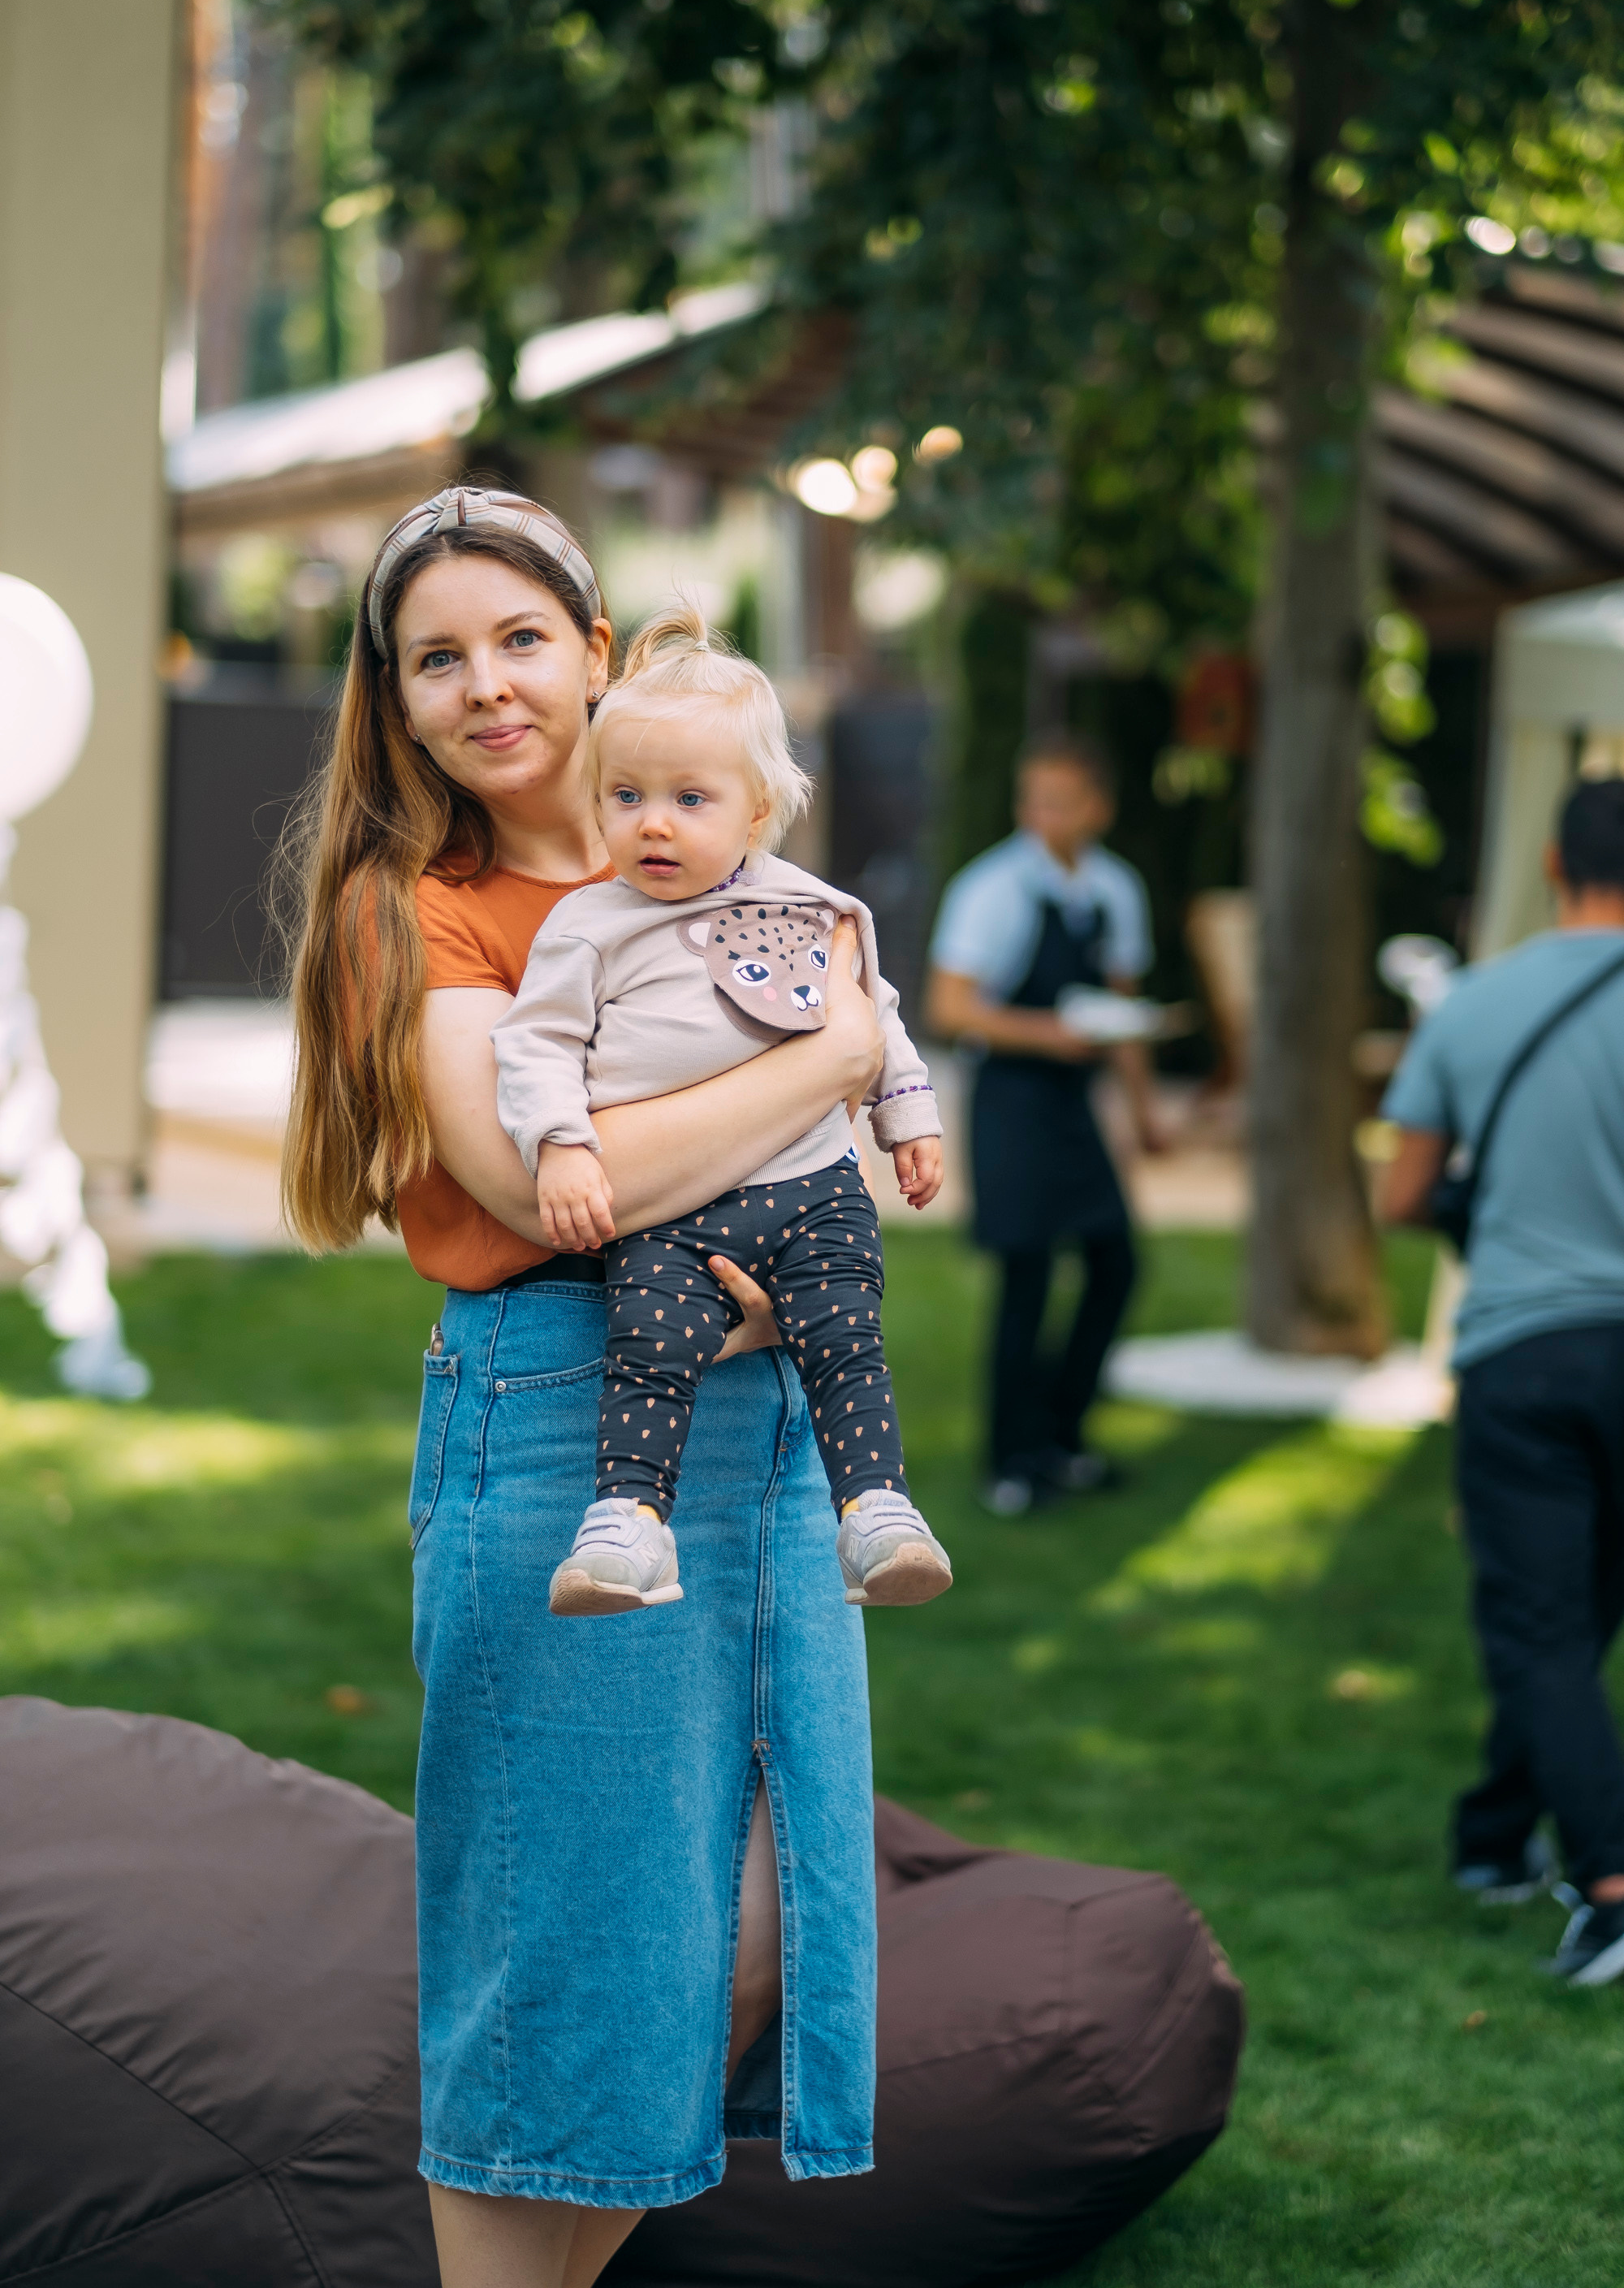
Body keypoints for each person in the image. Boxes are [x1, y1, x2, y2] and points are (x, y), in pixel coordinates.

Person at [281, 486, 884, 2288]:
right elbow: (565, 1167)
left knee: (758, 1925)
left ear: (597, 654)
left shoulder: (714, 867)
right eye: (434, 661)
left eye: (520, 638)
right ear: (396, 710)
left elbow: (829, 1150)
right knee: (555, 1956)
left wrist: (797, 1241)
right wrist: (833, 1049)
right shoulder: (426, 908)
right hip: (556, 1424)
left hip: (756, 1430)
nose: (485, 687)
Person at [490, 604, 952, 1616]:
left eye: (687, 798)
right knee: (647, 1345)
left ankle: (875, 1509)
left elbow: (872, 1015)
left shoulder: (808, 908)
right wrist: (562, 1147)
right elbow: (536, 1045)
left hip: (814, 1185)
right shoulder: (590, 925)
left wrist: (906, 1116)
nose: (652, 822)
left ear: (753, 812)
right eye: (626, 796)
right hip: (674, 1203)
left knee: (844, 1334)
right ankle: (627, 1524)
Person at [1380, 776, 1624, 1988]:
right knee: (1578, 1620)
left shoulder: (1477, 1006)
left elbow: (1403, 1194)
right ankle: (1492, 1838)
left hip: (1527, 1350)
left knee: (1541, 1623)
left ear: (1550, 858)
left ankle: (1614, 1887)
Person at [927, 732, 1162, 1516]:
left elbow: (1123, 1006)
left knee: (1115, 1264)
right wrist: (1050, 1036)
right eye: (1032, 799)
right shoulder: (991, 889)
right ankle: (1011, 1462)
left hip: (1073, 1107)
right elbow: (951, 1007)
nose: (1040, 815)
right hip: (1013, 1102)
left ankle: (1063, 1437)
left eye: (1058, 801)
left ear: (1099, 807)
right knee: (1025, 1280)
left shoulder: (1115, 889)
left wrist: (1145, 1111)